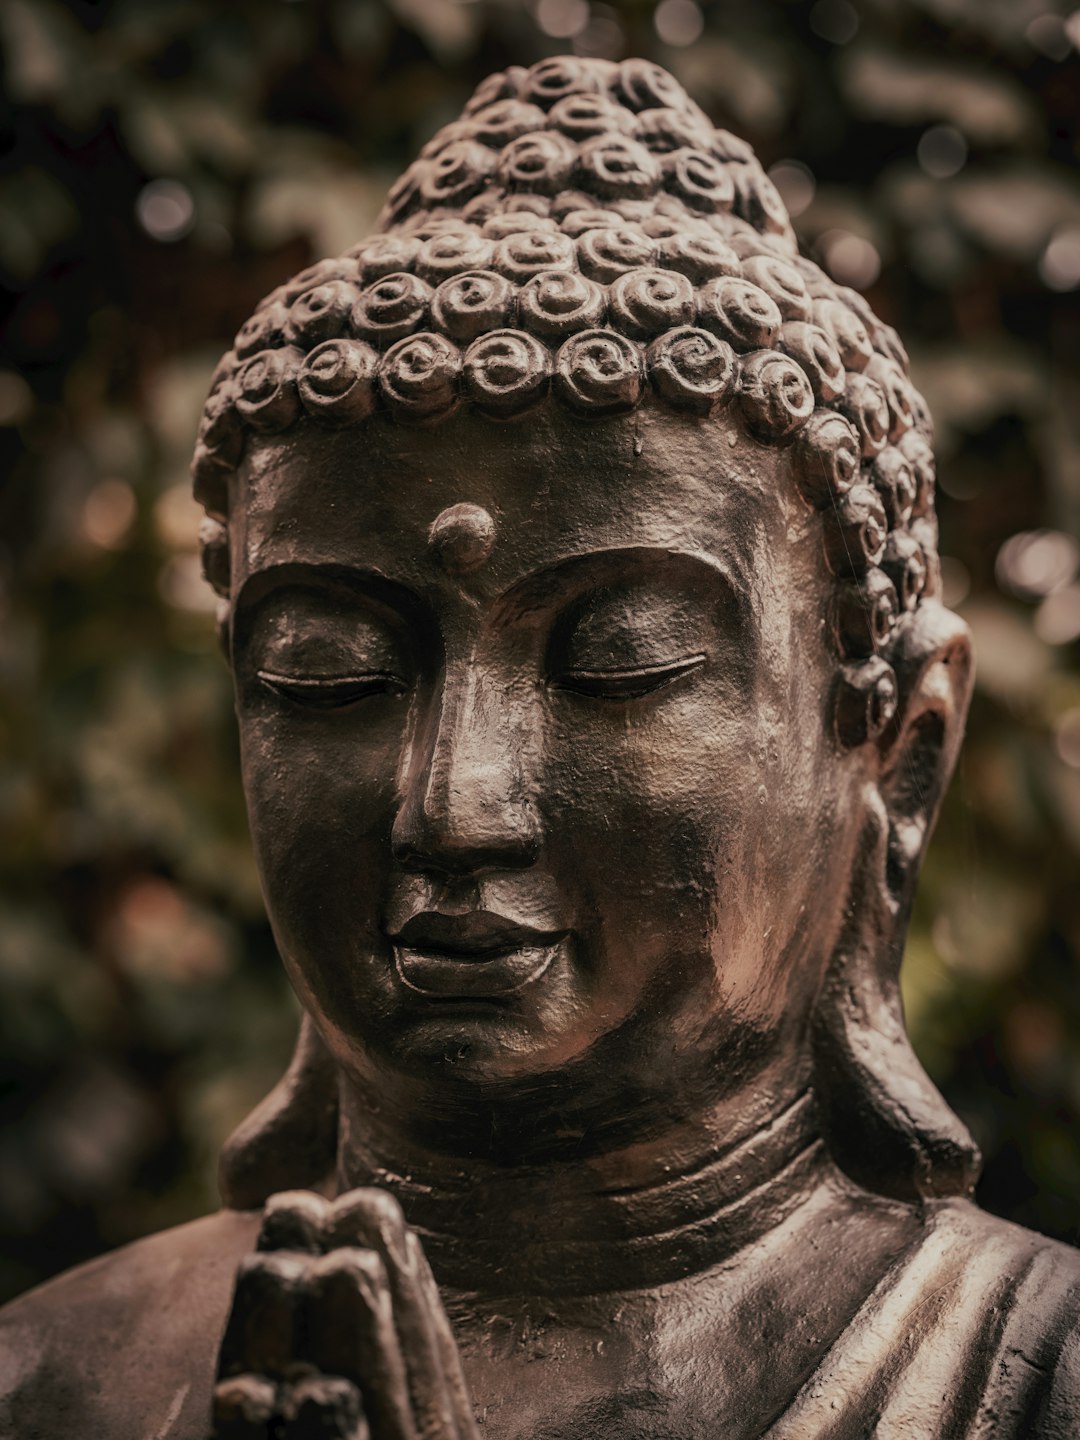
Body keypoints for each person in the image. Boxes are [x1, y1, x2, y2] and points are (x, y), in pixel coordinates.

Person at [1, 54, 1078, 1440]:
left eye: (621, 659)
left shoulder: (1033, 1378)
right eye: (326, 675)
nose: (454, 805)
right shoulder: (51, 1383)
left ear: (900, 749)